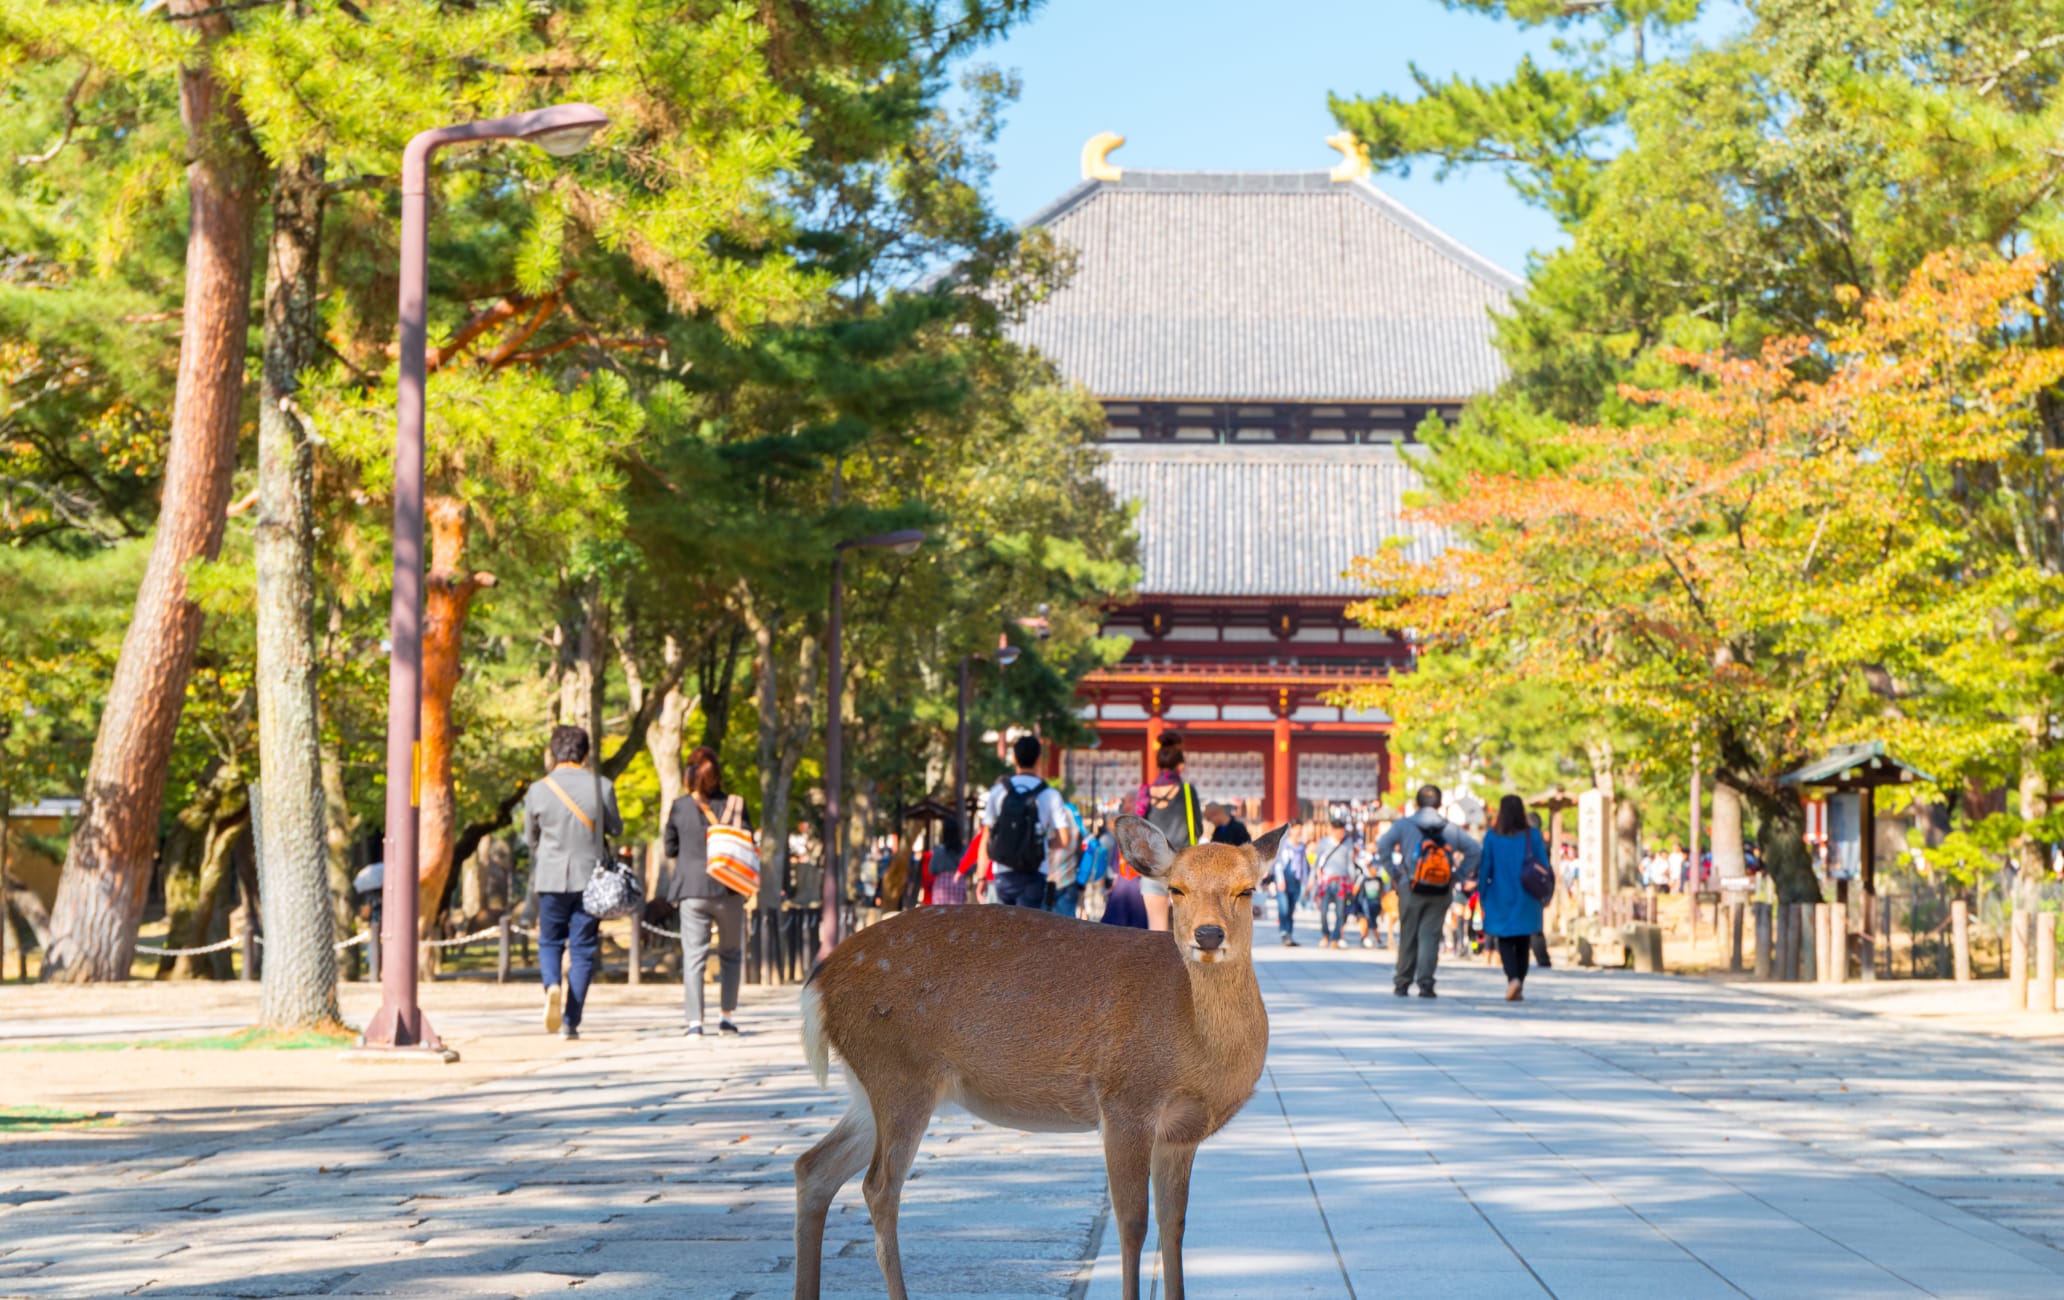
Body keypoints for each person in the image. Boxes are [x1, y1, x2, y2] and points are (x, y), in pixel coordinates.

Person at [524, 724, 623, 1041]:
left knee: (550, 941)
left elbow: (531, 838)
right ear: (586, 752)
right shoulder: (602, 786)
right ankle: (570, 1022)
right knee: (582, 950)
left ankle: (552, 984)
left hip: (551, 876)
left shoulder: (538, 790)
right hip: (590, 879)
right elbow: (616, 829)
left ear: (553, 752)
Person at [662, 745, 753, 1039]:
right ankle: (726, 1018)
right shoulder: (737, 805)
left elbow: (669, 848)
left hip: (692, 890)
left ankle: (694, 1023)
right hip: (729, 889)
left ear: (690, 774)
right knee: (730, 954)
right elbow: (748, 843)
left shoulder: (679, 807)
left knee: (694, 957)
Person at [1375, 784, 1482, 998]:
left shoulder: (1404, 826)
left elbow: (1383, 845)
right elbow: (1474, 850)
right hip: (1441, 887)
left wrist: (1395, 873)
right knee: (1430, 935)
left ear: (1417, 803)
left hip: (1410, 885)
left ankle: (1403, 981)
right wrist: (1457, 876)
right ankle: (1425, 982)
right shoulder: (1451, 829)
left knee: (1409, 934)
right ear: (1440, 803)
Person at [982, 735, 1073, 908]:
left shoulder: (998, 792)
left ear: (1014, 758)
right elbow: (1064, 839)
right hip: (1035, 871)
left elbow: (986, 837)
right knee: (1028, 931)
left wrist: (981, 877)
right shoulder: (1050, 795)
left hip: (1003, 871)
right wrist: (1043, 842)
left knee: (1003, 928)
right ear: (1039, 760)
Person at [1479, 794, 1549, 1002]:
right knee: (1523, 940)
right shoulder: (1533, 836)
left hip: (1500, 894)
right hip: (1527, 895)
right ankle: (1519, 979)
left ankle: (1512, 979)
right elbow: (1543, 865)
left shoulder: (1492, 837)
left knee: (1505, 940)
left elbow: (1485, 869)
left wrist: (1482, 893)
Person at [1134, 735, 1201, 931]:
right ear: (1180, 765)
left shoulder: (1145, 792)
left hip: (1154, 868)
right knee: (1184, 930)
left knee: (1156, 931)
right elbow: (1197, 828)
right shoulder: (1187, 791)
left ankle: (1157, 963)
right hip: (1183, 867)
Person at [1311, 819, 1356, 949]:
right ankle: (1325, 935)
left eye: (1342, 831)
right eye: (1338, 830)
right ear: (1332, 830)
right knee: (1323, 911)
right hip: (1326, 881)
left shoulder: (1348, 843)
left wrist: (1352, 881)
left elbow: (1349, 864)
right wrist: (1313, 879)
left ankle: (1336, 937)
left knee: (1340, 912)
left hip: (1342, 881)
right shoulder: (1324, 842)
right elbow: (1316, 863)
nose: (1340, 834)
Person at [1266, 822, 1307, 946]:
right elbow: (1278, 863)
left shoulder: (1302, 846)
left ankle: (1289, 933)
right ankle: (1284, 932)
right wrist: (1280, 879)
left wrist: (1305, 881)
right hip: (1283, 879)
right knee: (1283, 908)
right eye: (1296, 828)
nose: (1298, 831)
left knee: (1291, 909)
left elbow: (1303, 865)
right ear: (1292, 829)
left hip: (1296, 881)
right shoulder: (1284, 845)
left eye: (1300, 828)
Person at [925, 818, 969, 906]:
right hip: (959, 884)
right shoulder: (964, 850)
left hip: (941, 887)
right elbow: (970, 868)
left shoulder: (939, 850)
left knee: (940, 916)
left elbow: (932, 869)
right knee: (958, 915)